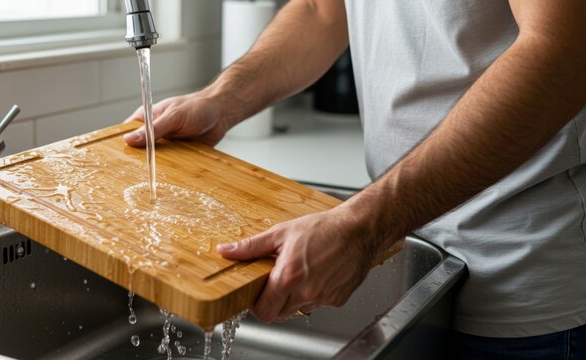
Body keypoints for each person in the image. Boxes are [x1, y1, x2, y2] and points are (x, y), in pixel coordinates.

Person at [123, 1, 586, 358]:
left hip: (523, 280)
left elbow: (563, 51)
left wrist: (367, 224)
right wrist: (222, 99)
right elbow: (321, 12)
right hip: (407, 245)